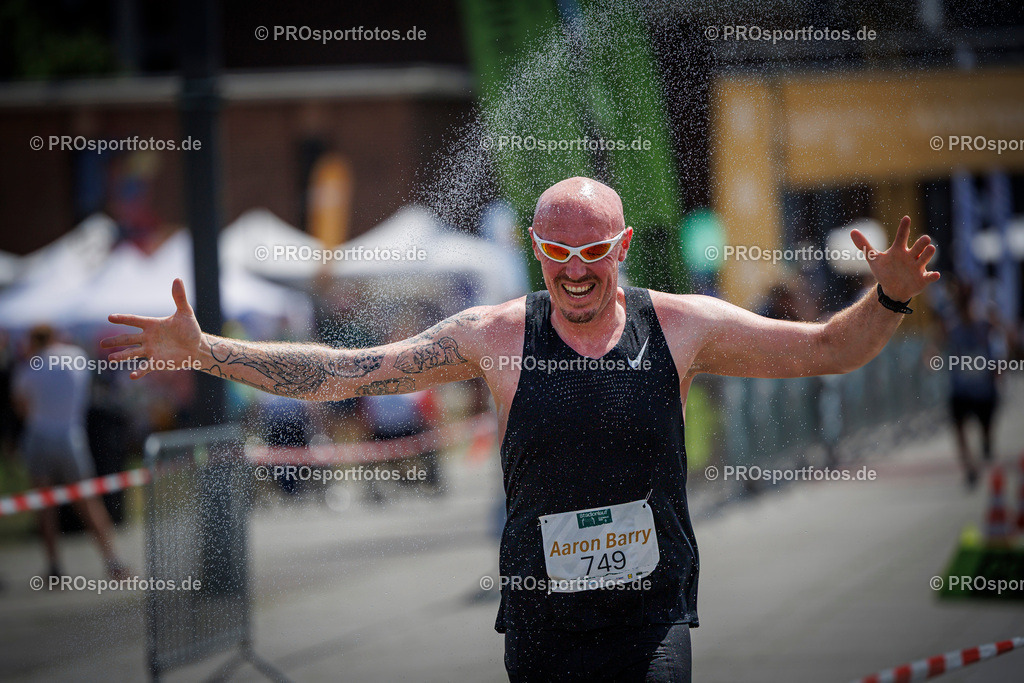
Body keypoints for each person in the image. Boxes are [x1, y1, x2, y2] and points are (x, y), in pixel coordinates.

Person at [102, 178, 939, 682]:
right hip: (541, 623)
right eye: (554, 252)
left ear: (624, 246)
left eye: (595, 251)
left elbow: (827, 349)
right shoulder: (494, 335)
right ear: (535, 249)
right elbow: (343, 371)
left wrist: (890, 298)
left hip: (651, 617)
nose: (575, 270)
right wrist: (208, 351)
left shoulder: (681, 326)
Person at [13, 325, 130, 581]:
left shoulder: (28, 367)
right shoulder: (76, 356)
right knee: (88, 500)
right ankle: (113, 561)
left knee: (44, 505)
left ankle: (54, 567)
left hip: (40, 435)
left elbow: (22, 407)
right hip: (70, 436)